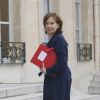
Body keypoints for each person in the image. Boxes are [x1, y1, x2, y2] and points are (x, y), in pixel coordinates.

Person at [40, 12, 72, 100]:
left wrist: (47, 70)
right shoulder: (53, 40)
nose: (49, 26)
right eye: (47, 23)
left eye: (52, 23)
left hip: (59, 79)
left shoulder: (59, 40)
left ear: (58, 25)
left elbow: (62, 63)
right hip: (54, 78)